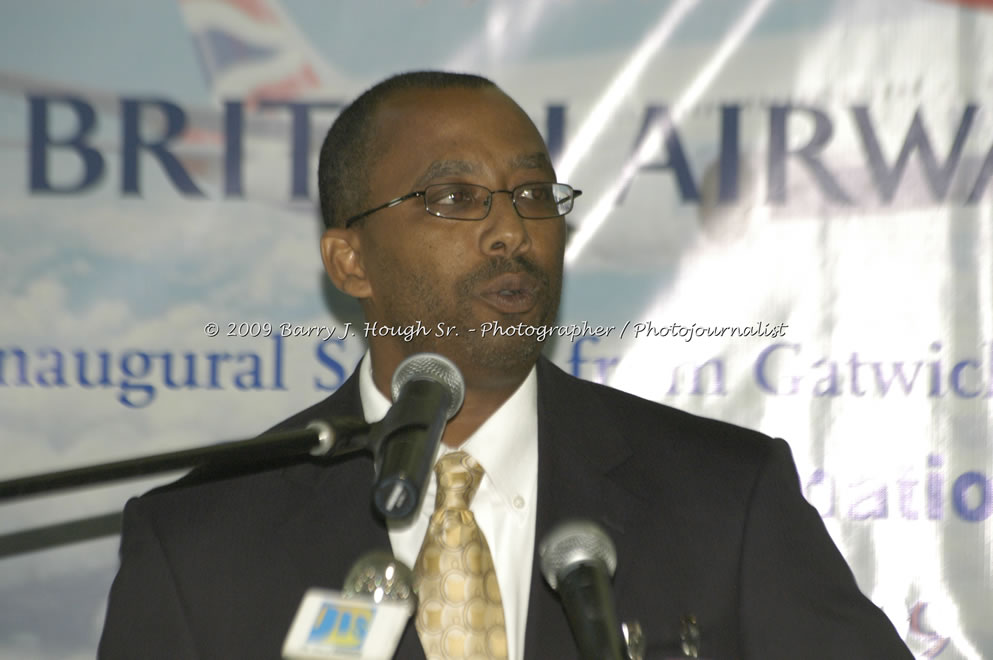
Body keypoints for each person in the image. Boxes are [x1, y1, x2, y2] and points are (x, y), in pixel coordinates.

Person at [99, 71, 912, 659]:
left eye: (532, 196)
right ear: (350, 262)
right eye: (453, 199)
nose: (510, 232)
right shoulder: (201, 538)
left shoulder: (724, 497)